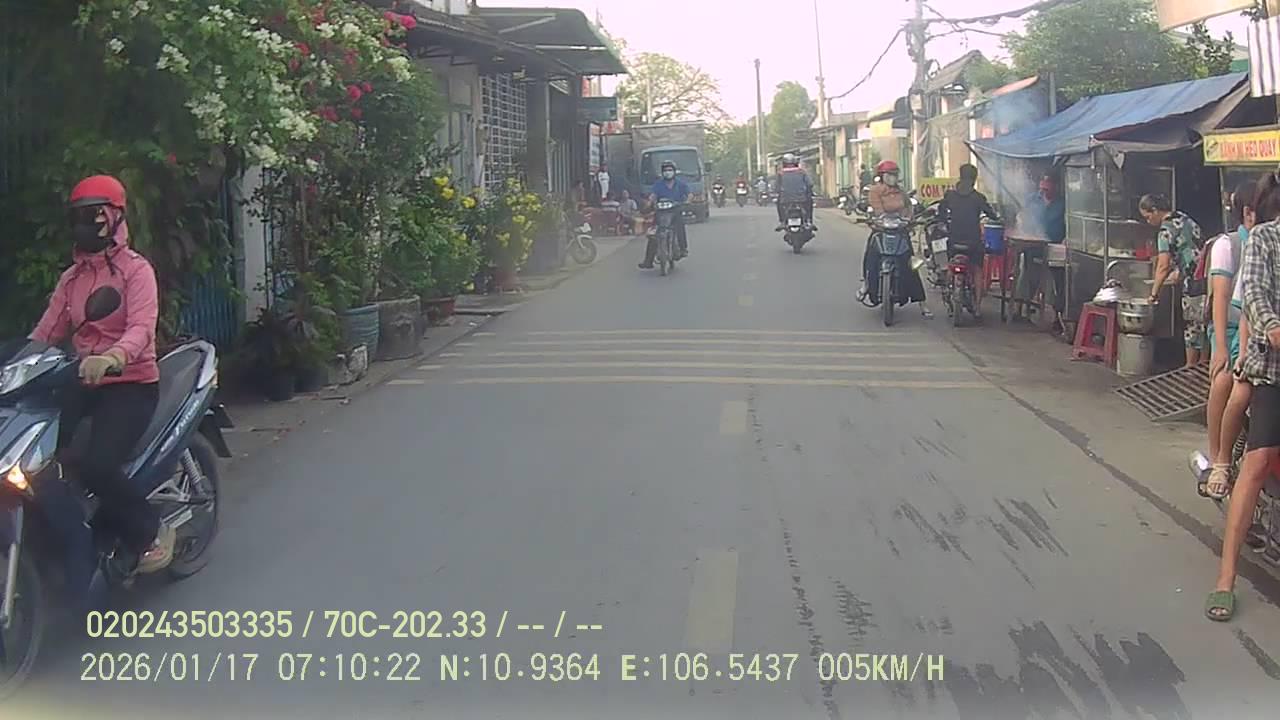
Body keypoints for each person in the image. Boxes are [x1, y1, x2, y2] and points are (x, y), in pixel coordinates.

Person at [28, 175, 174, 581]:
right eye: (79, 216)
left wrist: (113, 356)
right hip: (81, 381)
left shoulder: (136, 271)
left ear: (115, 217)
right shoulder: (71, 280)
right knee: (37, 456)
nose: (87, 224)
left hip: (130, 382)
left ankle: (149, 532)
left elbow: (141, 327)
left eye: (96, 215)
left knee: (98, 465)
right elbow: (45, 333)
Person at [1205, 171, 1280, 622]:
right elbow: (1253, 293)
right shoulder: (1264, 241)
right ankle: (1226, 579)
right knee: (1256, 462)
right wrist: (1272, 327)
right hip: (1272, 369)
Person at [1203, 183, 1258, 499]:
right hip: (1230, 325)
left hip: (1257, 327)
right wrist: (1221, 347)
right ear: (1248, 213)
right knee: (1224, 379)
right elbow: (1222, 298)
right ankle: (1218, 459)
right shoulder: (1229, 244)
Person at [1142, 193, 1206, 366]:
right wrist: (1179, 271)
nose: (1148, 221)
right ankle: (1204, 364)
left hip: (1194, 281)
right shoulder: (1184, 218)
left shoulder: (1165, 231)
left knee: (1192, 325)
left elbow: (1163, 266)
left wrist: (1154, 294)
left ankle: (1190, 368)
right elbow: (1192, 248)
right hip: (1209, 275)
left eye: (1148, 217)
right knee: (1205, 323)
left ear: (1155, 211)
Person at [860, 160, 930, 316]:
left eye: (894, 174)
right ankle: (866, 285)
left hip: (900, 230)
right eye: (889, 174)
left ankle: (922, 303)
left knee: (911, 264)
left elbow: (908, 208)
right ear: (882, 176)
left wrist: (909, 219)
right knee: (870, 257)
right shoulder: (875, 191)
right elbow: (876, 209)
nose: (892, 177)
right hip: (880, 230)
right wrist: (876, 219)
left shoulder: (901, 192)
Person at [937, 164, 997, 319]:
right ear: (974, 179)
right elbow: (991, 214)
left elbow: (941, 212)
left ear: (960, 176)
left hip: (954, 239)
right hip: (973, 242)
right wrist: (998, 217)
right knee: (977, 270)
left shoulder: (950, 195)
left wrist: (943, 222)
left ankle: (947, 291)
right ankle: (977, 306)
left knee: (951, 263)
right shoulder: (978, 197)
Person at [1012, 174, 1067, 325]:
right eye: (1042, 186)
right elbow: (1022, 216)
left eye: (1047, 186)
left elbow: (1068, 223)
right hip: (1033, 244)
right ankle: (1019, 309)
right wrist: (1022, 227)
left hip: (1055, 246)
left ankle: (1058, 316)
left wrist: (1066, 238)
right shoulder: (1032, 199)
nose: (1043, 190)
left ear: (1055, 186)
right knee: (1027, 275)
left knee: (1058, 281)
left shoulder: (1062, 203)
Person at [640, 160, 689, 268]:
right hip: (660, 212)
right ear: (662, 172)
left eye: (670, 170)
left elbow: (688, 194)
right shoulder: (658, 184)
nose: (668, 172)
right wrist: (649, 203)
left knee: (680, 227)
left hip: (675, 211)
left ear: (674, 172)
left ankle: (683, 248)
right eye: (665, 170)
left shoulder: (680, 184)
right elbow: (653, 195)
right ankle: (648, 260)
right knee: (653, 233)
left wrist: (686, 201)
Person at [774, 153, 816, 232]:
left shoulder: (781, 173)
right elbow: (810, 184)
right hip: (802, 198)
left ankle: (782, 221)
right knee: (809, 203)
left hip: (785, 199)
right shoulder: (802, 172)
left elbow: (776, 187)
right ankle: (809, 221)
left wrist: (779, 191)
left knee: (778, 203)